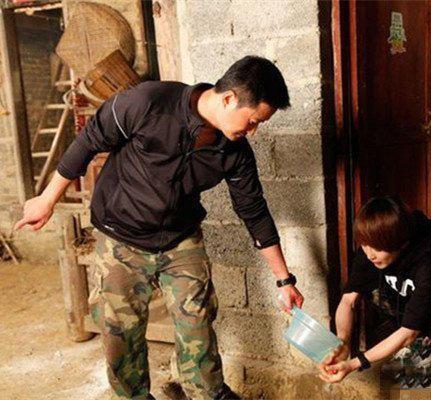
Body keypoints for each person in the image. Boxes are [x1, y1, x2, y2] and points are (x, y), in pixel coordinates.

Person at [15, 56, 304, 400]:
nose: (253, 131)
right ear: (229, 99)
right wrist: (47, 199)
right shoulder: (147, 102)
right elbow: (89, 140)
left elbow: (253, 211)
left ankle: (207, 393)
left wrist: (284, 280)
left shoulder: (235, 151)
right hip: (120, 234)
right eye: (253, 121)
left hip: (180, 239)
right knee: (120, 333)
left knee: (197, 326)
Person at [319, 196, 431, 385]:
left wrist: (355, 363)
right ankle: (422, 344)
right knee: (378, 294)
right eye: (365, 244)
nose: (370, 254)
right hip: (422, 299)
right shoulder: (371, 245)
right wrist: (343, 343)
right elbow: (348, 301)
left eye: (377, 248)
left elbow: (407, 332)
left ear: (402, 243)